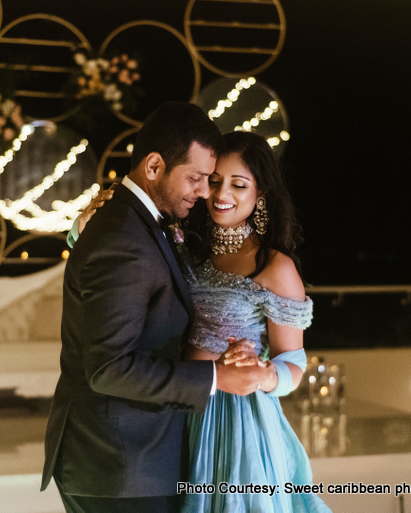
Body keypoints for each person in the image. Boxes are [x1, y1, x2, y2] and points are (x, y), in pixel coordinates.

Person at [71, 131, 331, 512]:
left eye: (238, 184)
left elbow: (293, 363)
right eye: (214, 181)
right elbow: (117, 274)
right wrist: (84, 227)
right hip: (173, 407)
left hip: (233, 423)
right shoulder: (187, 248)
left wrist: (262, 374)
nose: (222, 194)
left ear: (260, 194)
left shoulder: (276, 267)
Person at [41, 102, 273, 513]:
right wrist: (216, 377)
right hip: (119, 465)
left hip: (134, 461)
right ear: (153, 167)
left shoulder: (141, 223)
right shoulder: (123, 238)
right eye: (197, 178)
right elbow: (109, 368)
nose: (205, 192)